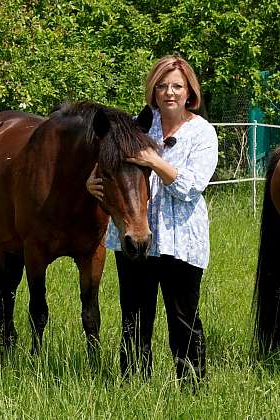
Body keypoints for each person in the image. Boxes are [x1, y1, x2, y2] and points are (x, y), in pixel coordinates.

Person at [86, 54, 218, 382]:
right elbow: (110, 165)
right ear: (153, 90)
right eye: (162, 86)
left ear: (190, 92)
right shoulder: (135, 125)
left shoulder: (202, 133)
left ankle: (192, 389)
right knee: (133, 318)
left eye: (177, 86)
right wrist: (91, 182)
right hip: (134, 236)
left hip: (181, 239)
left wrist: (155, 162)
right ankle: (134, 387)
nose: (169, 93)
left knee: (183, 318)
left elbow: (191, 186)